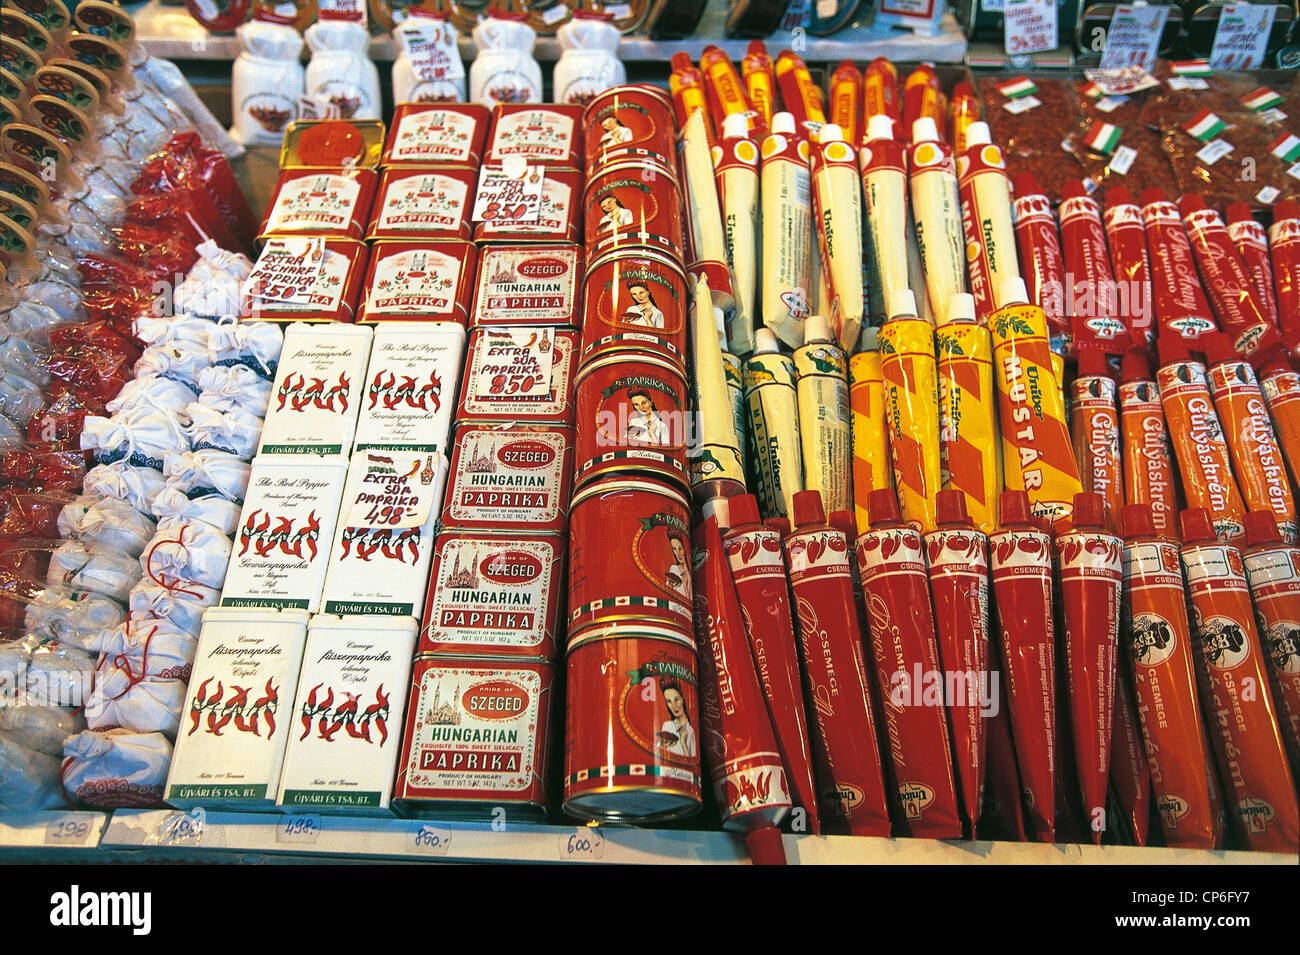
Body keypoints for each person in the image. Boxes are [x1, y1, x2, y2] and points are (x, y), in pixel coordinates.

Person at [657, 681, 696, 759]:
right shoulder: (667, 726)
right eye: (669, 701)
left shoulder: (691, 731)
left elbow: (692, 766)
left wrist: (683, 744)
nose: (674, 706)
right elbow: (660, 756)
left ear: (682, 699)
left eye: (676, 699)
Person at [666, 533, 691, 603]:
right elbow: (668, 595)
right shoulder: (674, 569)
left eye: (680, 548)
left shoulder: (690, 573)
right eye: (674, 549)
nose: (678, 553)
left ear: (685, 549)